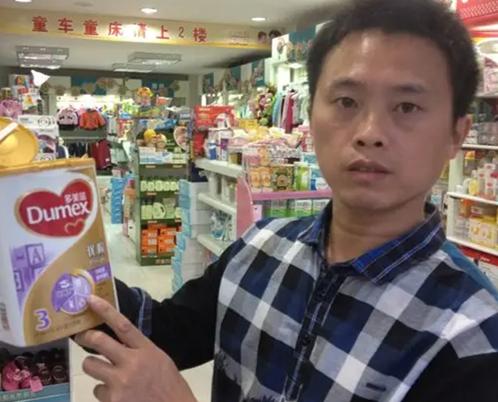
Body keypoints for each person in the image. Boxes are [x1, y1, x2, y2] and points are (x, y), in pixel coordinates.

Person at [75, 0, 498, 401]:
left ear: (456, 135)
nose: (370, 132)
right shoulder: (259, 248)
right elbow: (163, 329)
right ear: (311, 116)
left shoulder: (473, 337)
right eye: (346, 101)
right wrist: (60, 278)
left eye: (407, 106)